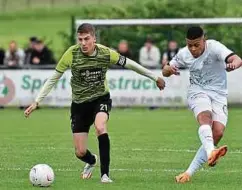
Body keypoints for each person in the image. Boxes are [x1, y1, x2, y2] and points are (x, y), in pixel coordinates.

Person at [24, 23, 165, 183]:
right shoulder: (71, 54)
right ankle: (91, 161)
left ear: (94, 38)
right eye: (80, 39)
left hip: (100, 99)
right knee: (80, 152)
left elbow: (131, 64)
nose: (83, 43)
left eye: (86, 39)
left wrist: (155, 77)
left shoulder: (105, 53)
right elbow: (54, 78)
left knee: (100, 127)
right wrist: (37, 102)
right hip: (79, 105)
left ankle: (105, 175)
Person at [162, 26, 242, 183]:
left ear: (204, 40)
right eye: (190, 45)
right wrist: (169, 70)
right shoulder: (184, 54)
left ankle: (188, 173)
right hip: (198, 91)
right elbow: (164, 70)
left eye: (196, 45)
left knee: (217, 132)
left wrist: (234, 65)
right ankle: (212, 151)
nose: (193, 49)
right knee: (205, 117)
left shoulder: (215, 47)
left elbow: (237, 59)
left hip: (219, 94)